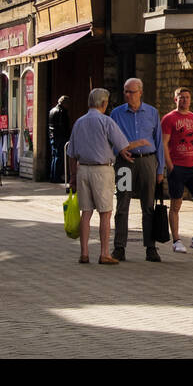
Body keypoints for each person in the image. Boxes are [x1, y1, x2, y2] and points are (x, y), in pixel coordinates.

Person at [65, 88, 150, 264]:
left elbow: (71, 153)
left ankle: (84, 253)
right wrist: (140, 143)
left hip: (83, 170)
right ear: (103, 104)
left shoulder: (79, 122)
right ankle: (104, 253)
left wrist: (73, 176)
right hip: (101, 170)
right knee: (105, 212)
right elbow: (123, 145)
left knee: (86, 213)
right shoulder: (106, 121)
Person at [109, 78, 165, 262]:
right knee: (122, 204)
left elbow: (158, 141)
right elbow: (110, 139)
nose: (127, 95)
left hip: (147, 161)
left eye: (131, 92)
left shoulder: (151, 112)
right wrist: (119, 151)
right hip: (125, 163)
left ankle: (151, 247)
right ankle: (119, 247)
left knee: (148, 205)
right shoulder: (116, 114)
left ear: (140, 92)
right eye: (125, 91)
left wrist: (160, 169)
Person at [161, 88, 193, 255]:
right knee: (176, 204)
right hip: (177, 167)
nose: (184, 100)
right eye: (181, 97)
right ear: (175, 99)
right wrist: (170, 167)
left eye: (187, 97)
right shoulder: (169, 119)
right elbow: (164, 144)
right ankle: (176, 240)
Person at [47, 96, 70, 183]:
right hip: (59, 137)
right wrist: (67, 135)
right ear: (64, 103)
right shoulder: (61, 112)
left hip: (53, 136)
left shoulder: (52, 110)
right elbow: (62, 126)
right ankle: (56, 177)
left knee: (55, 156)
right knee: (59, 157)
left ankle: (53, 176)